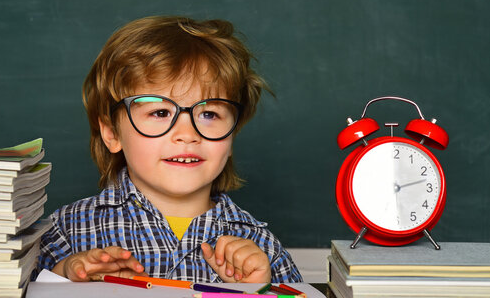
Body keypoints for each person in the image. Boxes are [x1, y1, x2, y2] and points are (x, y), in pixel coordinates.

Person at [36, 16, 302, 283]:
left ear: (232, 133)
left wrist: (259, 291)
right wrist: (63, 277)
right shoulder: (67, 233)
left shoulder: (262, 248)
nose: (187, 134)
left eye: (209, 114)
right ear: (112, 133)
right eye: (160, 112)